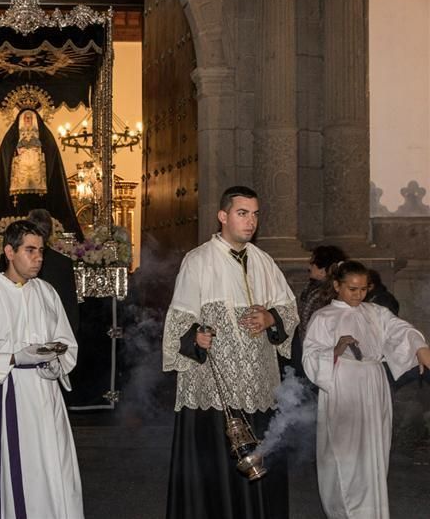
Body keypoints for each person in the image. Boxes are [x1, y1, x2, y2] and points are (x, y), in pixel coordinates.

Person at [161, 186, 298, 519]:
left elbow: (289, 310)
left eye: (254, 214)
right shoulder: (198, 260)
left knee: (262, 466)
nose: (250, 222)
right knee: (216, 472)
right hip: (214, 389)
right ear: (223, 216)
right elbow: (178, 322)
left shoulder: (265, 262)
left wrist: (270, 318)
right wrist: (197, 338)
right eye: (242, 213)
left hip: (258, 386)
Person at [0, 220, 84, 519]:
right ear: (9, 252)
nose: (38, 258)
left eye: (41, 251)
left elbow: (67, 342)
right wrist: (14, 358)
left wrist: (53, 362)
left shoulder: (47, 293)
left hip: (46, 392)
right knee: (21, 467)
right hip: (9, 393)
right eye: (30, 250)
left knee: (56, 464)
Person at [302, 260, 430, 519]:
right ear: (337, 286)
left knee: (374, 453)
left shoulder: (375, 312)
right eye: (352, 289)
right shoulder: (324, 317)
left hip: (373, 385)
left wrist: (419, 347)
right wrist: (335, 350)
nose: (358, 295)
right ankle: (345, 512)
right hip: (342, 385)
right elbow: (310, 355)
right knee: (344, 453)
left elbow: (399, 329)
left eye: (363, 289)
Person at [0, 108, 83, 242]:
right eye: (25, 118)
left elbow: (52, 161)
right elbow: (5, 160)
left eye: (30, 118)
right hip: (17, 187)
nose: (28, 120)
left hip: (41, 186)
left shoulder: (45, 138)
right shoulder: (12, 138)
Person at [294, 245, 348, 377]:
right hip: (306, 347)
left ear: (323, 271)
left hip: (319, 353)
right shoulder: (313, 289)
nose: (309, 267)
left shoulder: (326, 295)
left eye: (313, 263)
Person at [27, 208, 79, 334]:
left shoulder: (16, 259)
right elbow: (71, 308)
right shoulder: (63, 262)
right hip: (55, 331)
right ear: (51, 232)